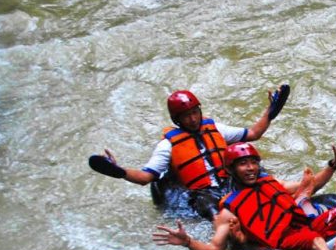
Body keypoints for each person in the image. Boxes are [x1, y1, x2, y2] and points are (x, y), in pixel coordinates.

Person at [152, 137, 336, 250]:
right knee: (316, 240)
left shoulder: (271, 183)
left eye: (253, 162)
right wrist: (188, 242)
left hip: (306, 224)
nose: (250, 168)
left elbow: (311, 186)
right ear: (231, 169)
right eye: (243, 164)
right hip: (284, 242)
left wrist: (334, 163)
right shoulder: (228, 210)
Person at [88, 85, 289, 216]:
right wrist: (118, 170)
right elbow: (144, 177)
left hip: (228, 182)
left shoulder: (215, 129)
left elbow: (254, 133)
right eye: (186, 116)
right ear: (177, 120)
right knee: (215, 210)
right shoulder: (168, 145)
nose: (193, 119)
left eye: (195, 113)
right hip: (203, 194)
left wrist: (270, 111)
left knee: (265, 186)